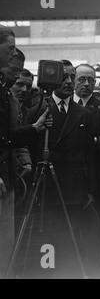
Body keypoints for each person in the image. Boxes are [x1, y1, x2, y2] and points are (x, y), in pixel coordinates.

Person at [24, 60, 97, 278]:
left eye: (71, 77)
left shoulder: (83, 114)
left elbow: (89, 155)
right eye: (63, 77)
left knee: (72, 240)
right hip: (46, 189)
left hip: (74, 191)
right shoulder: (37, 109)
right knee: (46, 240)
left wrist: (89, 189)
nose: (68, 82)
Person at [0, 25, 50, 278]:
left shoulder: (4, 93)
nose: (13, 54)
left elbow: (6, 137)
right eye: (9, 49)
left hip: (8, 178)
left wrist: (34, 127)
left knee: (6, 245)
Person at [73, 64, 100, 276]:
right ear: (73, 80)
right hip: (69, 179)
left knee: (95, 231)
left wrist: (80, 140)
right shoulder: (64, 106)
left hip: (95, 178)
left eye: (90, 80)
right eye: (81, 79)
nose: (86, 84)